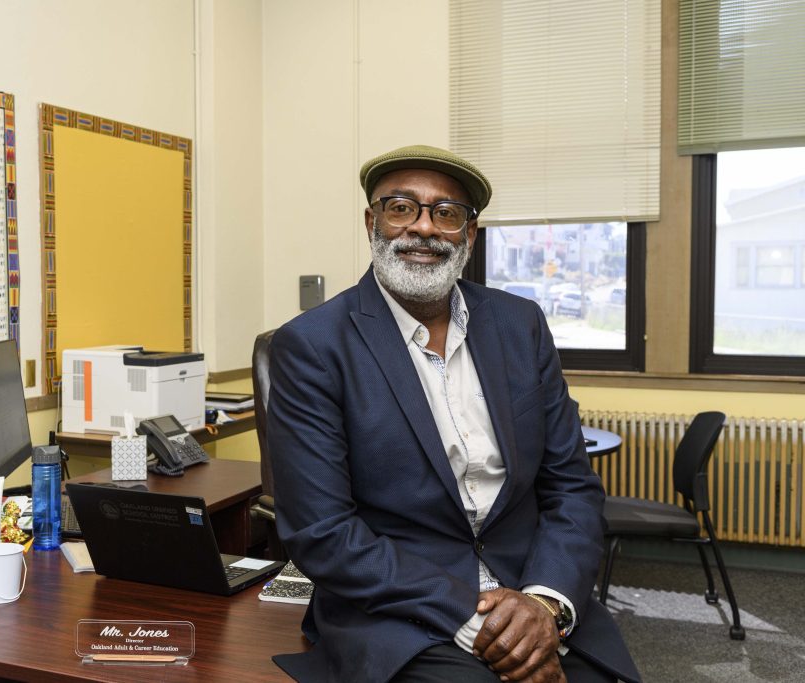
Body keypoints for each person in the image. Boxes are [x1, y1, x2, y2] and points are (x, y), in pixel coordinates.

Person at [267, 145, 640, 683]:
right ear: (372, 222)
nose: (424, 228)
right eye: (401, 208)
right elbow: (323, 531)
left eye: (446, 213)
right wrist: (484, 623)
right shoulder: (314, 345)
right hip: (399, 609)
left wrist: (543, 604)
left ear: (469, 234)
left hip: (530, 587)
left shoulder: (521, 325)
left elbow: (572, 488)